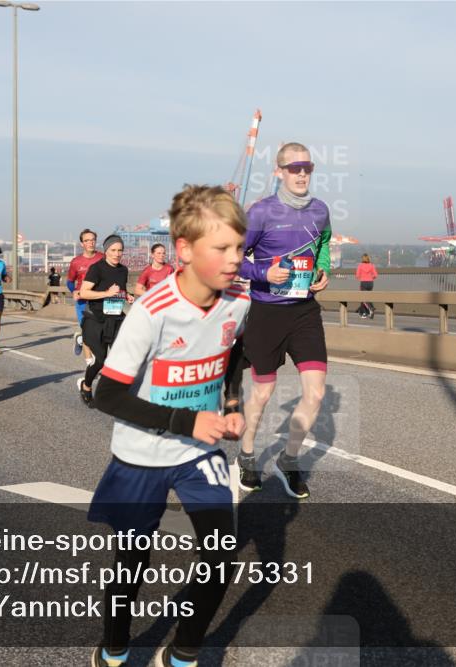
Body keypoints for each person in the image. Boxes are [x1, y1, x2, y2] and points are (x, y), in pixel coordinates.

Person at [88, 184, 250, 667]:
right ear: (184, 250)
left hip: (198, 452)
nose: (235, 259)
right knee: (132, 564)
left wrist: (233, 399)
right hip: (141, 454)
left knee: (221, 555)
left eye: (239, 247)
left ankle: (182, 654)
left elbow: (235, 349)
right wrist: (187, 419)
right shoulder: (151, 312)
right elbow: (107, 394)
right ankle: (114, 647)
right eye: (221, 248)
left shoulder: (239, 301)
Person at [236, 142, 332, 499]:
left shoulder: (320, 210)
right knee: (263, 392)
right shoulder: (261, 212)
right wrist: (264, 273)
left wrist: (324, 269)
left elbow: (323, 242)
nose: (302, 173)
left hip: (304, 311)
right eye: (294, 168)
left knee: (317, 393)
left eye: (307, 166)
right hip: (267, 312)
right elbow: (234, 257)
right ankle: (246, 453)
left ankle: (288, 461)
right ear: (279, 172)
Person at [76, 235, 133, 405]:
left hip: (115, 320)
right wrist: (106, 293)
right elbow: (84, 292)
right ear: (106, 251)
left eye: (120, 250)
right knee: (100, 360)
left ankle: (113, 394)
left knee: (120, 359)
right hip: (96, 320)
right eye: (113, 250)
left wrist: (127, 296)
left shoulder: (123, 270)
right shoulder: (97, 268)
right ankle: (86, 385)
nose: (117, 254)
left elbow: (120, 290)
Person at [66, 229, 104, 357]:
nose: (90, 243)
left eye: (92, 240)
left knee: (98, 334)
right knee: (88, 331)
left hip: (99, 299)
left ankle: (80, 338)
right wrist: (74, 291)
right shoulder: (76, 262)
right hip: (82, 300)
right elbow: (70, 282)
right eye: (87, 240)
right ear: (82, 244)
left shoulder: (102, 258)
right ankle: (90, 365)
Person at [355, 253, 378, 319]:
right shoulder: (372, 265)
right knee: (368, 297)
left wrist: (361, 278)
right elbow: (375, 275)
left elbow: (357, 276)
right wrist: (370, 278)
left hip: (363, 283)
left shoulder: (360, 266)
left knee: (363, 298)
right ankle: (366, 312)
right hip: (370, 283)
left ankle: (370, 309)